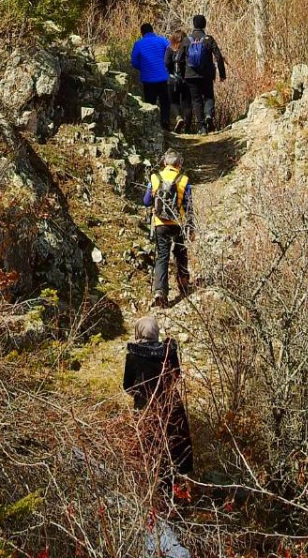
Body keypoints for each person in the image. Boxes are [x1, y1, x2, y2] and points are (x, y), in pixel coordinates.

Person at [122, 313, 194, 491]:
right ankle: (179, 488)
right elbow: (176, 375)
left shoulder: (133, 355)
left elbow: (127, 386)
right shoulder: (169, 351)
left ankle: (153, 488)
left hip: (147, 407)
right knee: (176, 446)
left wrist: (141, 395)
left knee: (151, 449)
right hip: (171, 405)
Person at [144, 149, 194, 307]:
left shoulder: (155, 177)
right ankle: (183, 283)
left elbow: (146, 201)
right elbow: (188, 206)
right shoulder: (184, 180)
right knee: (180, 254)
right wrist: (190, 227)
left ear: (165, 162)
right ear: (179, 164)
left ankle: (160, 291)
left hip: (160, 224)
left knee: (162, 257)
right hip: (177, 224)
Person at [181, 14, 226, 134]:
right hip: (206, 75)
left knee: (196, 101)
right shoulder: (209, 39)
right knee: (209, 97)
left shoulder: (186, 40)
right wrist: (222, 74)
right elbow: (219, 57)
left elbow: (179, 59)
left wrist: (182, 75)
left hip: (190, 75)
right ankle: (208, 115)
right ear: (204, 25)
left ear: (193, 24)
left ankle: (202, 127)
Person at [131, 22, 171, 130]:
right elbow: (172, 52)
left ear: (142, 33)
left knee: (150, 103)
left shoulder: (138, 44)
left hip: (147, 79)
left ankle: (152, 126)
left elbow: (134, 62)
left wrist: (143, 67)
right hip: (163, 77)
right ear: (152, 30)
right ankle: (165, 121)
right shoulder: (162, 40)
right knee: (165, 102)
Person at [165, 27, 188, 133]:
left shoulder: (170, 49)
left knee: (173, 102)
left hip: (172, 80)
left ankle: (178, 118)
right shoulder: (188, 49)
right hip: (186, 80)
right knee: (187, 102)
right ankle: (187, 128)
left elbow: (166, 63)